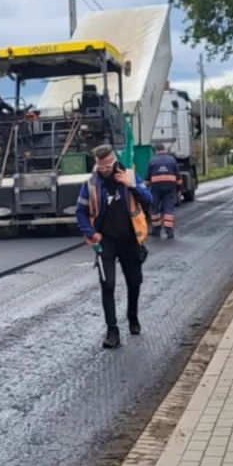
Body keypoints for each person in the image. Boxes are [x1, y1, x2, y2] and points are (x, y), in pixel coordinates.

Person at [75, 144, 152, 349]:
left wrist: (130, 185)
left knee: (134, 282)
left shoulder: (131, 176)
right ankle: (112, 331)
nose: (104, 171)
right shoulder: (91, 184)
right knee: (107, 284)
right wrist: (92, 234)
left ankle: (132, 317)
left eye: (107, 167)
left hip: (130, 239)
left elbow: (149, 200)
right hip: (106, 240)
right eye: (100, 168)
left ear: (114, 160)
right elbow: (80, 212)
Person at [144, 143, 180, 238]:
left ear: (156, 150)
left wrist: (144, 188)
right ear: (164, 149)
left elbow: (147, 178)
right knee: (168, 209)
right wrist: (179, 189)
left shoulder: (152, 161)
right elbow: (179, 177)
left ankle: (156, 230)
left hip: (156, 188)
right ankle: (169, 231)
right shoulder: (172, 160)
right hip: (170, 188)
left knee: (155, 208)